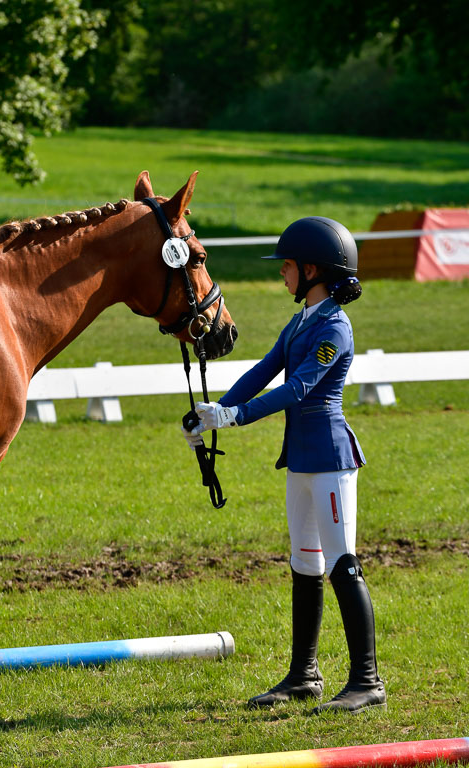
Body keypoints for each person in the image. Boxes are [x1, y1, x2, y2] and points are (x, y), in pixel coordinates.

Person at [182, 216, 386, 715]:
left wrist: (237, 417)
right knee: (304, 564)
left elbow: (299, 389)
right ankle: (304, 675)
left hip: (332, 459)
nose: (282, 274)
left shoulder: (335, 326)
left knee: (342, 562)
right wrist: (214, 412)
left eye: (288, 266)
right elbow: (264, 370)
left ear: (312, 269)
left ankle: (367, 680)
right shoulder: (301, 321)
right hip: (299, 459)